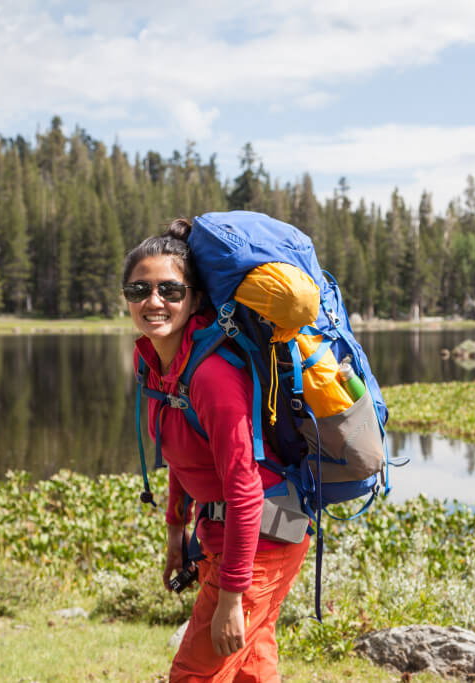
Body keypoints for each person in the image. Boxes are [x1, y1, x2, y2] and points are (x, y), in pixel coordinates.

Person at [123, 218, 310, 682]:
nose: (153, 301)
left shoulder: (212, 377)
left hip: (263, 536)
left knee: (194, 675)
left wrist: (231, 598)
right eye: (138, 289)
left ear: (196, 299)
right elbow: (179, 453)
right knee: (251, 666)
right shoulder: (151, 361)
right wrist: (175, 532)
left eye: (170, 290)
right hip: (223, 535)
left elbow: (245, 491)